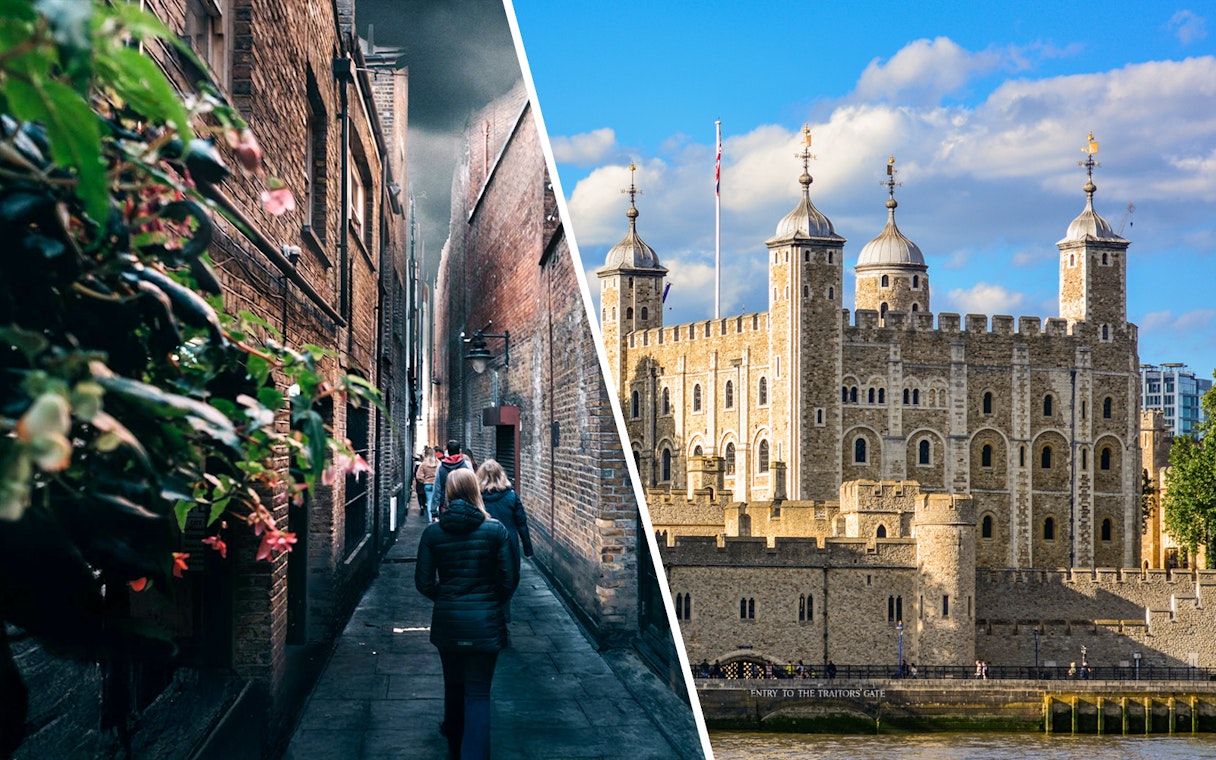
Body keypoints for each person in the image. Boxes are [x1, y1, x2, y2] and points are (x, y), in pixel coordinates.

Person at [415, 469, 518, 760]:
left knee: (453, 684)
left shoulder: (433, 533)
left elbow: (423, 582)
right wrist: (489, 602)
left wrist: (447, 598)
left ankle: (453, 741)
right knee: (478, 693)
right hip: (484, 624)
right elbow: (509, 580)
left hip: (449, 623)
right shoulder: (495, 530)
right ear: (475, 490)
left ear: (447, 491)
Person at [476, 459, 533, 622]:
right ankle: (503, 614)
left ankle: (487, 616)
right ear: (501, 474)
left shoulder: (477, 498)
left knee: (485, 579)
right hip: (508, 544)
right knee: (508, 579)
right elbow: (522, 524)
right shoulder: (511, 496)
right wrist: (528, 550)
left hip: (483, 543)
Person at [430, 440, 473, 520]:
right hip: (465, 506)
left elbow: (437, 489)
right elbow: (473, 487)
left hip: (446, 507)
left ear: (447, 452)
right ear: (459, 451)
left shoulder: (441, 466)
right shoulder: (467, 465)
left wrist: (433, 510)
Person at [415, 447, 438, 517]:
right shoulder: (438, 463)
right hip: (436, 485)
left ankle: (431, 519)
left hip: (427, 485)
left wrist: (424, 481)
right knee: (436, 502)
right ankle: (436, 519)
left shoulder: (423, 464)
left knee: (429, 501)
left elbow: (418, 476)